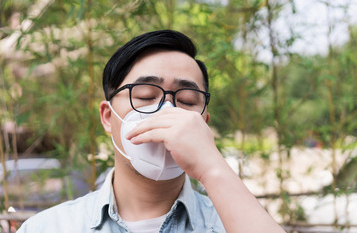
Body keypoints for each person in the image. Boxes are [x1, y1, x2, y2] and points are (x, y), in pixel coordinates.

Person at [17, 30, 285, 233]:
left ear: (203, 122)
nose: (167, 111)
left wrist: (211, 167)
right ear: (108, 117)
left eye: (187, 101)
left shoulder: (234, 223)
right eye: (145, 95)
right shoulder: (48, 228)